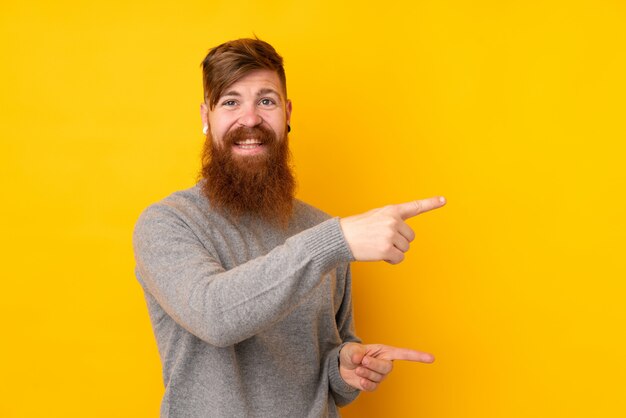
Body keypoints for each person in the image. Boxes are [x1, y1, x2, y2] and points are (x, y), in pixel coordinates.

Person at [133, 38, 446, 418]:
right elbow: (214, 315)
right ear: (206, 115)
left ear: (287, 112)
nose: (250, 119)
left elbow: (332, 360)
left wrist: (346, 366)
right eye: (231, 102)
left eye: (266, 101)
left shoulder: (322, 229)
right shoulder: (168, 223)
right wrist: (336, 240)